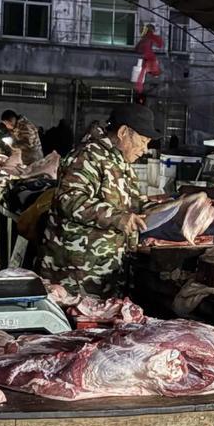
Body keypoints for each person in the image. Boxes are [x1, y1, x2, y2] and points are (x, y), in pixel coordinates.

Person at [40, 103, 156, 297]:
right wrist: (118, 218)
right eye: (143, 141)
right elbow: (70, 199)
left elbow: (134, 202)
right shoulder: (87, 155)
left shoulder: (119, 161)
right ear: (123, 132)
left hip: (104, 270)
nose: (145, 149)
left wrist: (166, 210)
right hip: (76, 274)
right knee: (74, 323)